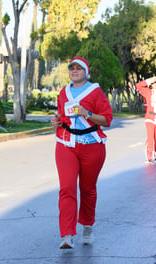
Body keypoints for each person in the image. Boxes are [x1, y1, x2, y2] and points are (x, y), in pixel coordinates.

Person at [50, 57, 113, 249]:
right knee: (67, 188)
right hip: (66, 143)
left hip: (92, 145)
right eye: (72, 68)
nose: (75, 71)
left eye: (79, 68)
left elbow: (107, 119)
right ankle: (67, 235)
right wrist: (56, 121)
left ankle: (87, 226)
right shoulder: (63, 92)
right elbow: (61, 116)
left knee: (87, 189)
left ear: (86, 72)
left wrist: (87, 113)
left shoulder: (96, 92)